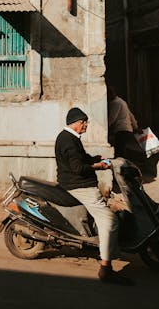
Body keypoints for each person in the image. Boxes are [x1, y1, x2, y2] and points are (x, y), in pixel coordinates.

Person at [55, 107, 134, 285]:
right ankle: (106, 268)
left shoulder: (69, 138)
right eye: (84, 122)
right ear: (76, 123)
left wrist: (96, 159)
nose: (86, 125)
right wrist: (98, 166)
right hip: (79, 186)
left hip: (76, 183)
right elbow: (78, 168)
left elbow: (80, 159)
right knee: (110, 221)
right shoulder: (69, 141)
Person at [107, 85, 147, 164]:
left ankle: (123, 168)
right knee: (123, 150)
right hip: (127, 129)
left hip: (121, 129)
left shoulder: (115, 103)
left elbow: (112, 117)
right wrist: (136, 127)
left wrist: (105, 129)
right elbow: (131, 115)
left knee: (120, 152)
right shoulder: (122, 101)